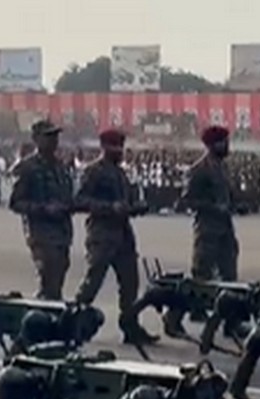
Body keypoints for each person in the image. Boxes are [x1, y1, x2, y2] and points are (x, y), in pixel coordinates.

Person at [73, 129, 158, 346]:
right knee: (92, 283)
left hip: (123, 234)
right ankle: (71, 323)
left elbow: (127, 201)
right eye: (116, 148)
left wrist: (136, 207)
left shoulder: (121, 174)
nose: (120, 152)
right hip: (102, 234)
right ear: (105, 148)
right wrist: (109, 207)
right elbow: (80, 200)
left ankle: (130, 326)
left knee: (130, 283)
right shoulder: (94, 171)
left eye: (122, 147)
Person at [9, 120, 75, 300]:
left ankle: (49, 319)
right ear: (36, 139)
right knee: (48, 282)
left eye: (55, 136)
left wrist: (70, 206)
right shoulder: (27, 167)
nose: (54, 141)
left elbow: (67, 195)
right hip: (41, 234)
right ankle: (41, 321)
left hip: (62, 233)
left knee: (57, 282)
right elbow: (16, 202)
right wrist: (45, 209)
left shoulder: (60, 167)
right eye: (49, 136)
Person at [181, 125, 238, 281]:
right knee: (202, 274)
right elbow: (188, 200)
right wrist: (213, 207)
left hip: (225, 227)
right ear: (213, 145)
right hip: (207, 230)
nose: (227, 145)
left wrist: (235, 205)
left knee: (229, 275)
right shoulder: (199, 169)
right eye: (224, 142)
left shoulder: (223, 167)